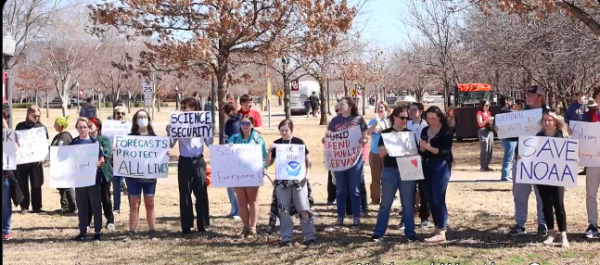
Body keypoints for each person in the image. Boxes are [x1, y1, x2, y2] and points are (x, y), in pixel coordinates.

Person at [371, 106, 419, 242]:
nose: (405, 120)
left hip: (407, 168)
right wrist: (391, 142)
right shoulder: (386, 133)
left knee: (408, 204)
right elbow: (381, 154)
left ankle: (410, 233)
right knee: (386, 204)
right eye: (402, 117)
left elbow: (414, 154)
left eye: (406, 118)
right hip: (390, 170)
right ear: (394, 117)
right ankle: (379, 233)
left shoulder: (409, 133)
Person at [266, 119, 317, 246]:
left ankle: (310, 236)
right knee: (283, 210)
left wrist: (308, 174)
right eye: (282, 130)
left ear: (291, 130)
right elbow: (268, 163)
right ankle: (286, 237)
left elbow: (307, 159)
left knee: (304, 208)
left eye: (286, 130)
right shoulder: (277, 144)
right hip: (282, 182)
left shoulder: (298, 143)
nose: (284, 132)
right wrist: (269, 151)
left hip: (299, 181)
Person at [167, 98, 213, 235]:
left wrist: (210, 130)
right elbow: (171, 144)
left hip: (198, 160)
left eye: (188, 107)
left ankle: (202, 223)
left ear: (194, 108)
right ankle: (186, 225)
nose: (185, 109)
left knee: (201, 192)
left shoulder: (202, 122)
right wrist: (170, 131)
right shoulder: (177, 123)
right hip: (184, 161)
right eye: (183, 107)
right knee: (185, 194)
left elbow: (209, 143)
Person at [526, 112, 571, 247]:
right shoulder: (538, 136)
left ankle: (563, 235)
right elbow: (532, 153)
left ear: (555, 122)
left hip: (557, 175)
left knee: (559, 204)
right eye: (545, 120)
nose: (547, 122)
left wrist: (573, 159)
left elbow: (568, 153)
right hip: (542, 175)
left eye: (549, 120)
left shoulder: (562, 136)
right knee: (546, 204)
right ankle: (550, 233)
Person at [323, 97, 368, 229]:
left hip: (354, 159)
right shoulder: (335, 121)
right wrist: (326, 140)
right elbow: (328, 135)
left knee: (354, 190)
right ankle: (340, 217)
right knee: (340, 190)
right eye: (339, 104)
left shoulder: (358, 120)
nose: (340, 106)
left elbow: (365, 137)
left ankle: (356, 217)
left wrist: (363, 141)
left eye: (343, 104)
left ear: (350, 106)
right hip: (340, 160)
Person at [510, 85, 548, 237]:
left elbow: (559, 135)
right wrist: (501, 130)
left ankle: (543, 225)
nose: (527, 97)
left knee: (543, 196)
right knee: (519, 195)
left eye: (531, 94)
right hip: (521, 160)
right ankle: (520, 225)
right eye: (526, 94)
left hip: (542, 162)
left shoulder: (549, 114)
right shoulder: (520, 115)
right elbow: (512, 135)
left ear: (540, 97)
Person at [125, 110, 163, 240]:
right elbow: (123, 155)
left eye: (144, 116)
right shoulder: (129, 138)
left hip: (149, 176)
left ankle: (152, 231)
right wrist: (117, 151)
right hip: (133, 177)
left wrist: (165, 154)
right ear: (135, 120)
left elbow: (159, 156)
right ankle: (132, 232)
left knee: (150, 203)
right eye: (139, 117)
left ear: (148, 119)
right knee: (134, 203)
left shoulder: (154, 138)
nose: (142, 119)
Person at [419, 106, 454, 243]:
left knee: (438, 197)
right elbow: (422, 151)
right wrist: (422, 149)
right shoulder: (424, 130)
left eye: (433, 118)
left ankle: (442, 231)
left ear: (439, 117)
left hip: (441, 166)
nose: (431, 121)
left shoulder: (446, 132)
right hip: (426, 165)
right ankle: (437, 227)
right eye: (428, 118)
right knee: (429, 197)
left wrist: (429, 148)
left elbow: (444, 152)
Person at [228, 115, 267, 239]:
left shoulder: (257, 139)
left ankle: (253, 227)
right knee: (241, 202)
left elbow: (264, 157)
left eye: (247, 124)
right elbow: (227, 154)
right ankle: (245, 227)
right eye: (243, 123)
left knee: (252, 201)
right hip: (237, 174)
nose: (245, 126)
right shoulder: (234, 138)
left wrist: (263, 168)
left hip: (252, 174)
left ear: (252, 125)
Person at [71, 117, 105, 241]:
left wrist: (99, 163)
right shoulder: (73, 143)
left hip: (93, 178)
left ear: (88, 128)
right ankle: (82, 232)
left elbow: (102, 160)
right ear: (77, 128)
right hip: (79, 179)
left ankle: (97, 232)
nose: (82, 129)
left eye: (85, 127)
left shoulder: (94, 142)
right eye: (80, 127)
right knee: (82, 206)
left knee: (96, 205)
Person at [15, 106, 48, 214]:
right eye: (34, 116)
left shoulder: (41, 127)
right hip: (23, 160)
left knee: (36, 185)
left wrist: (44, 157)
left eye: (38, 116)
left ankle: (37, 207)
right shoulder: (19, 126)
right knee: (23, 184)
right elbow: (16, 141)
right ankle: (24, 206)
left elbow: (44, 145)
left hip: (36, 161)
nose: (36, 118)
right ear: (28, 114)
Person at [88, 118, 115, 230]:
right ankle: (87, 221)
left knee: (106, 198)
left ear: (97, 127)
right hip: (88, 173)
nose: (87, 128)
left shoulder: (103, 139)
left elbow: (107, 153)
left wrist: (103, 158)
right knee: (89, 199)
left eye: (90, 126)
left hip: (103, 173)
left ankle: (110, 220)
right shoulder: (84, 140)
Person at [407, 102, 431, 229]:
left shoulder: (425, 125)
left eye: (414, 110)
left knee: (423, 190)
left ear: (420, 112)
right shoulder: (407, 124)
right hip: (409, 159)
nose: (411, 112)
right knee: (409, 190)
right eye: (410, 110)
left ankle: (425, 217)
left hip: (422, 159)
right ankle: (408, 216)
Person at [3, 109, 23, 241]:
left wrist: (5, 129)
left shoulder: (10, 134)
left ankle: (4, 230)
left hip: (5, 175)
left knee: (4, 204)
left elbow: (13, 148)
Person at [49, 116, 76, 213]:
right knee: (61, 186)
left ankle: (72, 206)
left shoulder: (65, 136)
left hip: (65, 165)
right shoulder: (58, 136)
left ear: (61, 125)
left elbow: (64, 150)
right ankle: (65, 206)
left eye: (55, 124)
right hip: (58, 165)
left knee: (67, 186)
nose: (54, 126)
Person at [366, 101, 390, 205]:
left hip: (386, 154)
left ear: (386, 109)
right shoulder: (372, 121)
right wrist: (376, 122)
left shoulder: (389, 121)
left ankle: (388, 198)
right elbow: (368, 132)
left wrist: (382, 124)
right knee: (375, 177)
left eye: (382, 108)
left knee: (387, 178)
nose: (380, 110)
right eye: (378, 108)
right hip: (374, 153)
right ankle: (375, 199)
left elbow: (388, 132)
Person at [583, 88, 600, 239]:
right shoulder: (589, 115)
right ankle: (592, 225)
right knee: (591, 195)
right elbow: (579, 132)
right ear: (596, 99)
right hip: (593, 160)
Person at [222, 102, 241, 220]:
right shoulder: (231, 122)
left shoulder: (232, 124)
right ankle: (234, 209)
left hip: (234, 156)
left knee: (234, 185)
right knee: (230, 185)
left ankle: (238, 210)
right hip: (229, 156)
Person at [111, 105, 130, 214]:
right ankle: (116, 207)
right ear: (114, 115)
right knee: (116, 185)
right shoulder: (110, 127)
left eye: (122, 113)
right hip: (114, 159)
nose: (120, 115)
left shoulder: (130, 127)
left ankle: (132, 206)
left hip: (127, 159)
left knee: (129, 185)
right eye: (118, 113)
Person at [497, 96, 517, 181]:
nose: (511, 102)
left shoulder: (501, 111)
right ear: (506, 101)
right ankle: (505, 175)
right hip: (509, 138)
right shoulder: (504, 111)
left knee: (510, 156)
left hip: (508, 137)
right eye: (510, 100)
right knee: (509, 156)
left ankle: (508, 174)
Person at [476, 100, 494, 172]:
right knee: (484, 150)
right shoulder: (479, 113)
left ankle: (487, 165)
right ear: (482, 106)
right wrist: (487, 120)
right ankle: (483, 166)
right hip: (483, 131)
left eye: (488, 105)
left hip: (489, 130)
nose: (488, 106)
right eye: (486, 105)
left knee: (490, 149)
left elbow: (490, 122)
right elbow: (480, 123)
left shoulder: (488, 113)